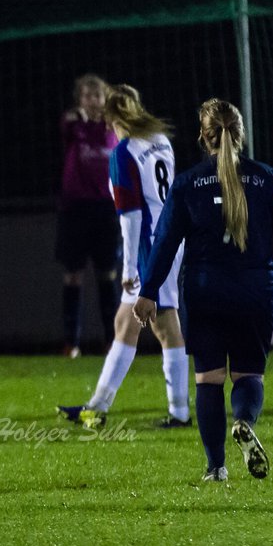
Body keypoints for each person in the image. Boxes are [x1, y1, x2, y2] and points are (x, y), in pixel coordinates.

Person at [135, 98, 273, 482]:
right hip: (256, 288)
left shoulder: (189, 183)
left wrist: (148, 290)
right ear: (240, 134)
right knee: (248, 376)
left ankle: (216, 467)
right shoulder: (267, 178)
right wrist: (271, 279)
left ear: (202, 136)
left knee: (208, 379)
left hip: (204, 290)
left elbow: (165, 243)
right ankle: (243, 421)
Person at [58, 85, 191, 430]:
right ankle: (96, 408)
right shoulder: (161, 139)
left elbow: (130, 216)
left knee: (164, 324)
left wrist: (129, 268)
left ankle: (179, 413)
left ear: (113, 118)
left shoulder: (124, 152)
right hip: (172, 237)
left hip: (150, 245)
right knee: (126, 323)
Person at [56, 73, 121, 357]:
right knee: (72, 275)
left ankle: (113, 341)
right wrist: (80, 118)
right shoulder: (73, 126)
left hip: (106, 210)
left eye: (97, 95)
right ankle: (72, 342)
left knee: (108, 275)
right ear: (79, 100)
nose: (92, 101)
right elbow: (67, 125)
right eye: (87, 96)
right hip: (75, 209)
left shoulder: (114, 129)